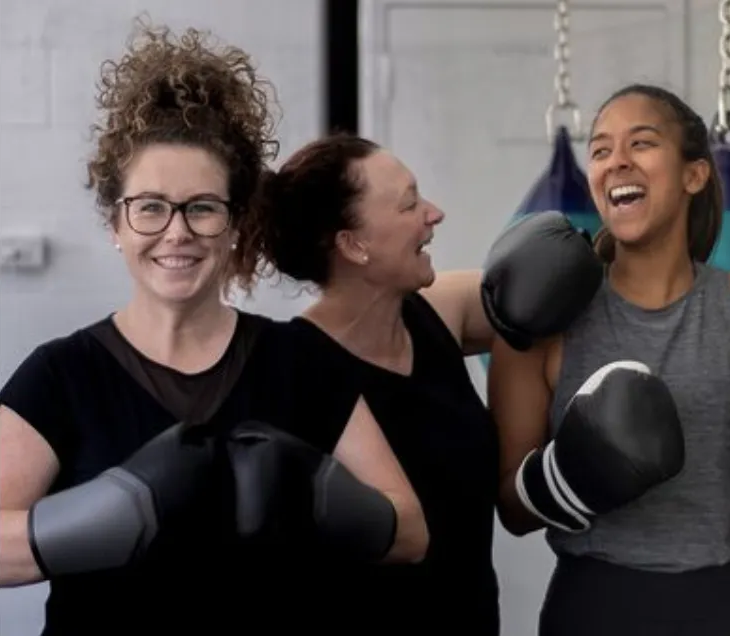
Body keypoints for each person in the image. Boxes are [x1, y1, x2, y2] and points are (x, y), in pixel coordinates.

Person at [0, 21, 427, 635]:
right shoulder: (62, 375)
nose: (177, 232)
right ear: (115, 225)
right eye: (150, 207)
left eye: (202, 208)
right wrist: (115, 512)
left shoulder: (301, 362)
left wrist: (318, 492)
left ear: (234, 226)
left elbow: (410, 532)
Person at [487, 83, 730, 636]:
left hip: (728, 604)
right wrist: (569, 475)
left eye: (642, 143)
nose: (616, 161)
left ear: (694, 175)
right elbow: (511, 510)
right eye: (600, 150)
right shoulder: (547, 324)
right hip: (593, 606)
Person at [246, 132, 602, 634]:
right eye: (410, 204)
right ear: (354, 244)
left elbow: (555, 286)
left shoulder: (440, 312)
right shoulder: (293, 367)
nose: (434, 213)